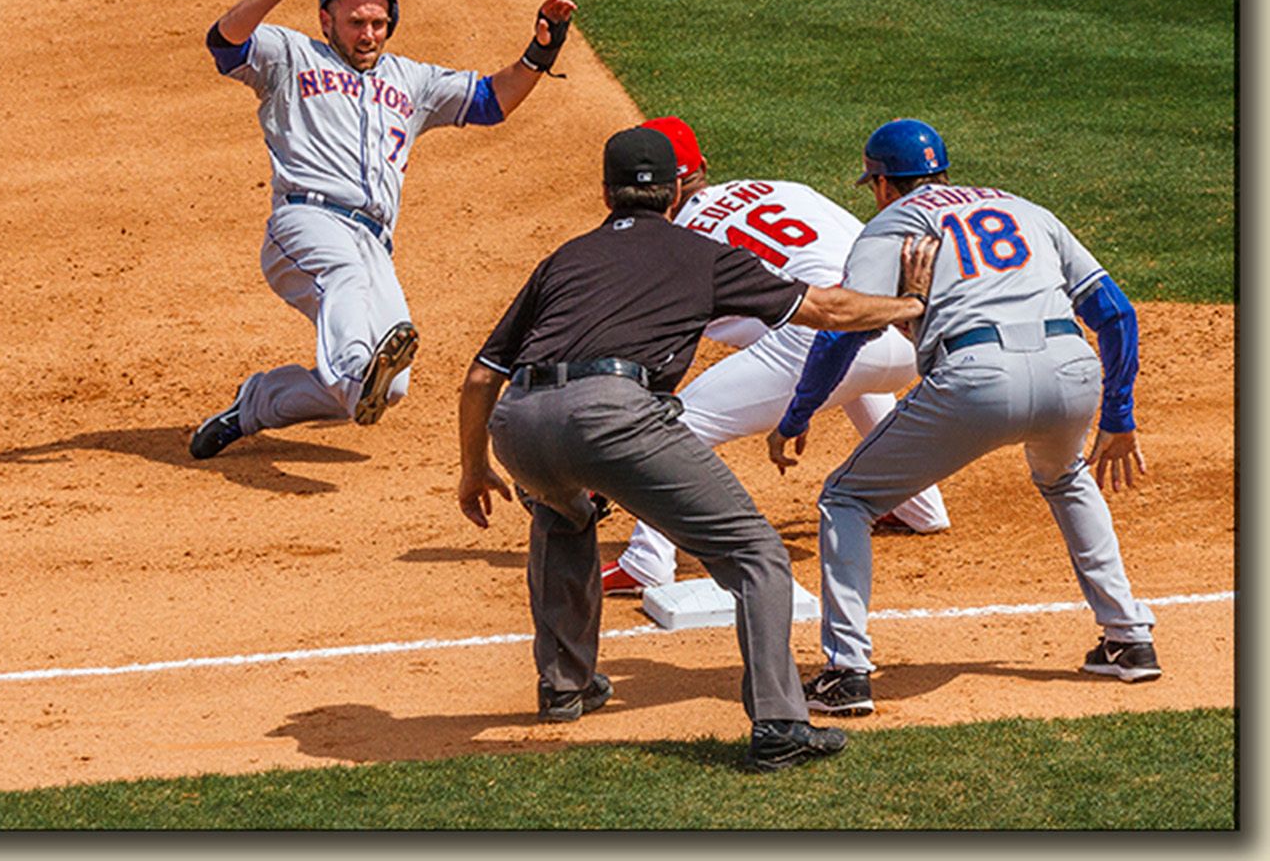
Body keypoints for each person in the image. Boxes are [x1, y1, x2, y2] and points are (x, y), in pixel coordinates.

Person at [456, 125, 938, 772]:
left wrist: (473, 468)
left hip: (519, 424)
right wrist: (913, 300)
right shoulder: (699, 252)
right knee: (757, 554)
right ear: (680, 188)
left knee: (562, 513)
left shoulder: (564, 259)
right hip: (614, 413)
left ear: (606, 193)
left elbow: (484, 374)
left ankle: (565, 686)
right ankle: (779, 726)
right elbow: (824, 309)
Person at [767, 118, 1159, 718]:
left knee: (845, 498)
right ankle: (1129, 638)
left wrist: (798, 413)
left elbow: (847, 326)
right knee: (1065, 477)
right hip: (1072, 371)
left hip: (976, 378)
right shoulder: (1026, 208)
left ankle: (847, 672)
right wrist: (1120, 412)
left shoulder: (894, 223)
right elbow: (1114, 312)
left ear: (881, 183)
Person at [189, 0, 577, 458]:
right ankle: (352, 369)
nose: (368, 34)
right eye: (355, 23)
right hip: (306, 221)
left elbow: (489, 102)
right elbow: (225, 41)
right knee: (346, 301)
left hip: (373, 241)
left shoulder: (410, 80)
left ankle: (257, 406)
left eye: (378, 23)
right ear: (326, 20)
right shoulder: (291, 55)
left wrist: (539, 53)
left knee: (388, 387)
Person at [599, 116, 951, 597]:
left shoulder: (668, 244)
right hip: (904, 329)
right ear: (700, 167)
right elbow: (871, 245)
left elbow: (655, 349)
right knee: (855, 366)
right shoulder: (783, 188)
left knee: (669, 428)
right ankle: (917, 502)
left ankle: (646, 561)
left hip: (822, 338)